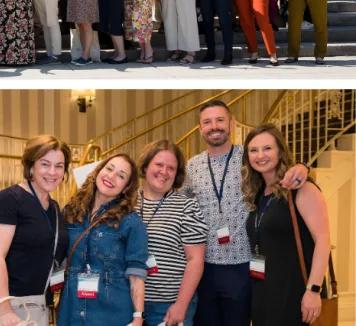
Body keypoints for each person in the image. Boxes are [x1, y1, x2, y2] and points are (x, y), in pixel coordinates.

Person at [183, 99, 309, 326]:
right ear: (200, 128)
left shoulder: (249, 157)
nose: (214, 127)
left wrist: (302, 167)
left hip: (243, 265)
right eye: (207, 122)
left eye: (220, 120)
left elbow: (278, 169)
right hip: (204, 267)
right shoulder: (192, 166)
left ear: (231, 124)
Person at [242, 124, 331, 326]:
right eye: (253, 150)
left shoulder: (302, 189)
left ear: (280, 151)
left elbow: (323, 241)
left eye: (267, 148)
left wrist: (313, 290)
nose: (260, 155)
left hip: (294, 292)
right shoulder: (258, 194)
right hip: (264, 291)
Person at [0, 135, 70, 325]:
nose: (52, 172)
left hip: (38, 302)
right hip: (7, 303)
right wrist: (4, 309)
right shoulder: (9, 199)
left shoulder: (54, 207)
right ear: (31, 167)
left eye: (59, 166)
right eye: (45, 164)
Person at [59, 153, 148, 326]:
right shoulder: (70, 211)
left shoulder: (131, 222)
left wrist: (138, 316)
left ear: (126, 187)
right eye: (109, 168)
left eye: (121, 176)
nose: (111, 176)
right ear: (98, 171)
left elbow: (137, 275)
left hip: (111, 314)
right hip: (71, 311)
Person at [135, 140, 207, 326]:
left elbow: (195, 260)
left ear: (177, 174)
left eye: (171, 168)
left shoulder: (187, 206)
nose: (164, 172)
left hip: (168, 306)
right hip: (130, 303)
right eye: (159, 164)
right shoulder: (127, 203)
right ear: (145, 166)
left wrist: (181, 306)